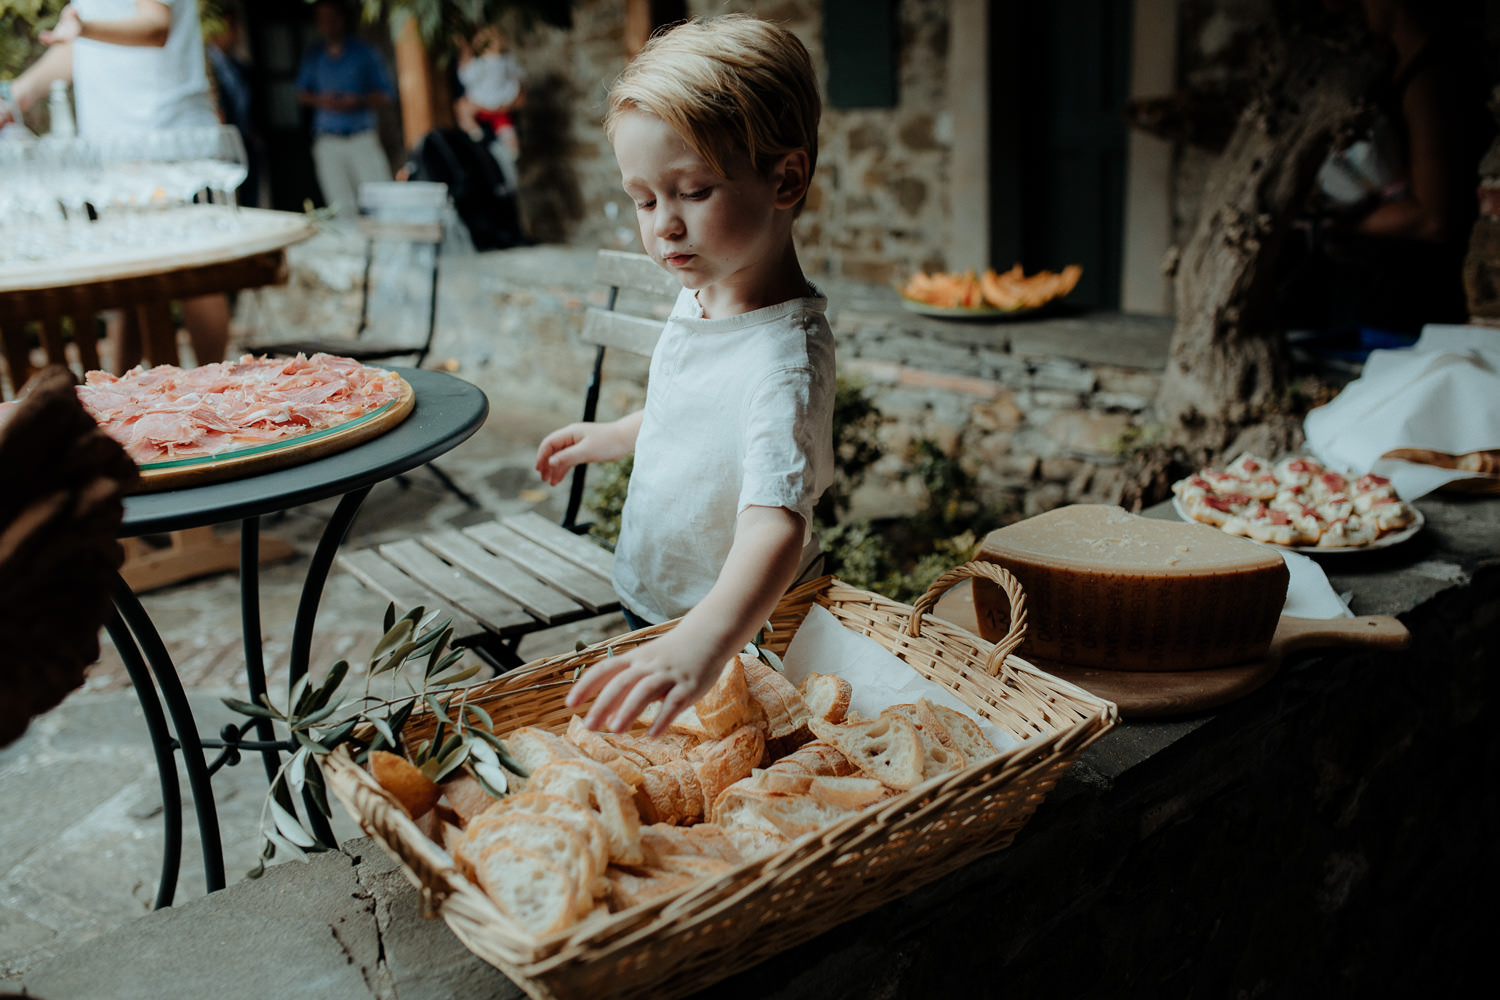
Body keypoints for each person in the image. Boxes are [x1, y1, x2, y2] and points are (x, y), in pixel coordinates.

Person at [534, 15, 833, 736]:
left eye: (693, 191)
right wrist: (616, 435)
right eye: (643, 200)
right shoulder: (700, 294)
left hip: (738, 625)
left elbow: (774, 525)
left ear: (785, 178)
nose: (663, 224)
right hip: (658, 594)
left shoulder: (784, 358)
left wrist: (703, 644)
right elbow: (694, 412)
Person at [0, 0, 232, 371]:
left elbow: (156, 25)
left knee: (193, 277)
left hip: (165, 141)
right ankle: (120, 404)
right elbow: (82, 49)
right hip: (113, 151)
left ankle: (221, 399)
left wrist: (85, 27)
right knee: (131, 289)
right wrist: (15, 96)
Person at [1279, 0, 1495, 337]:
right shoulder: (1390, 67)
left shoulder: (1430, 79)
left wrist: (1329, 223)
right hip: (1380, 285)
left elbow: (1433, 218)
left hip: (1417, 290)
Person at [296, 0, 396, 219]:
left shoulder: (364, 52)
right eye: (322, 19)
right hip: (328, 140)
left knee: (379, 199)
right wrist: (323, 100)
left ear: (341, 19)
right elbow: (301, 94)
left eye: (331, 18)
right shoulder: (314, 55)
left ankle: (387, 250)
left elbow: (387, 94)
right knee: (341, 207)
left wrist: (357, 101)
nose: (327, 24)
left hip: (361, 137)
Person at [453, 24, 525, 194]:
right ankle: (482, 135)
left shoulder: (490, 62)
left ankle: (506, 152)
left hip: (494, 104)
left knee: (505, 132)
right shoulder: (493, 62)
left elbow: (520, 93)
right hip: (491, 106)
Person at [206, 5, 259, 207]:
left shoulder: (240, 66)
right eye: (230, 27)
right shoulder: (207, 64)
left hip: (245, 142)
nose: (235, 33)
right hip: (221, 145)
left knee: (249, 201)